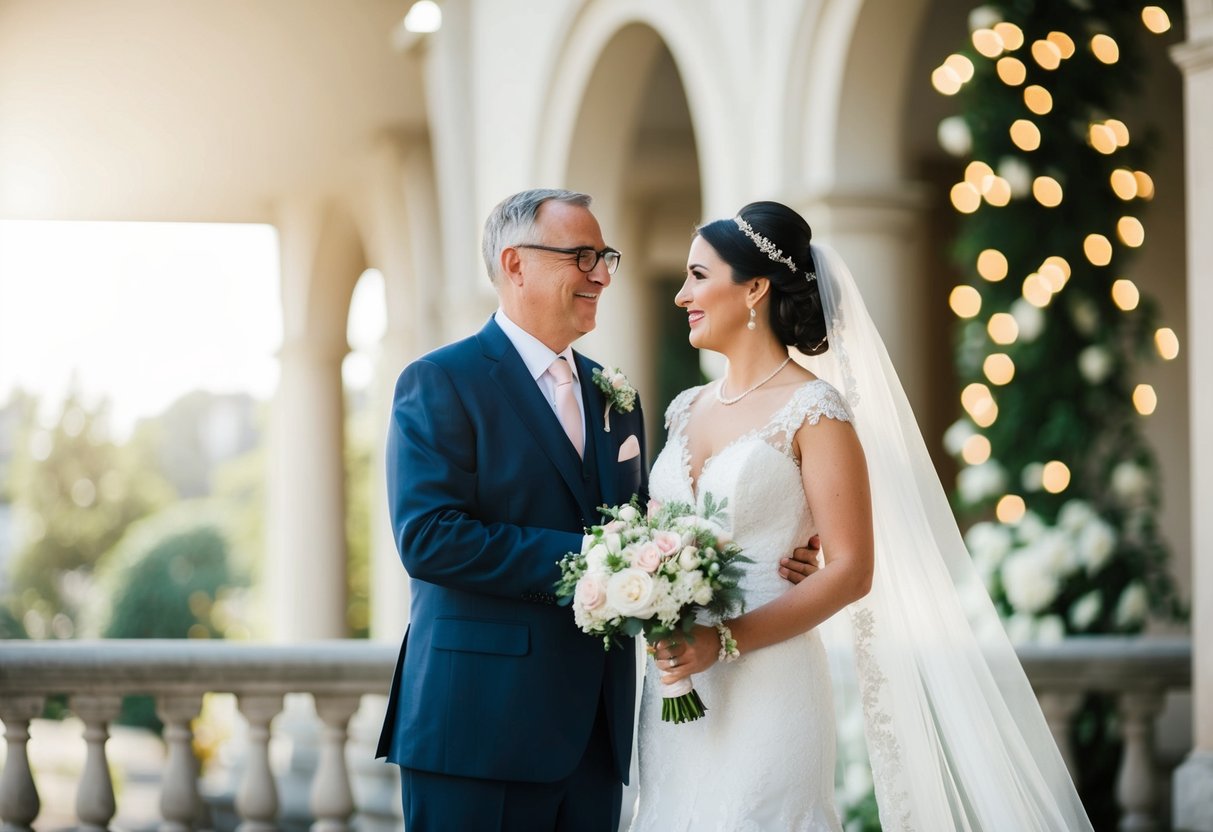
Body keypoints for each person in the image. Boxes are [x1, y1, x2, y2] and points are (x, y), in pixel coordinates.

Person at [632, 201, 1094, 831]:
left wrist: (725, 639)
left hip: (769, 682)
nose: (682, 293)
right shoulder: (684, 408)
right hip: (677, 685)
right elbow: (660, 533)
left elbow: (850, 569)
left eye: (698, 276)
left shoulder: (815, 409)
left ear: (755, 288)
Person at [375, 188, 819, 831]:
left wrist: (776, 546)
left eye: (605, 256)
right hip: (477, 727)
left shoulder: (615, 395)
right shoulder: (441, 381)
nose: (603, 275)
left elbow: (655, 528)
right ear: (515, 263)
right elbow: (430, 538)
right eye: (582, 257)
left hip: (595, 736)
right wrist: (599, 562)